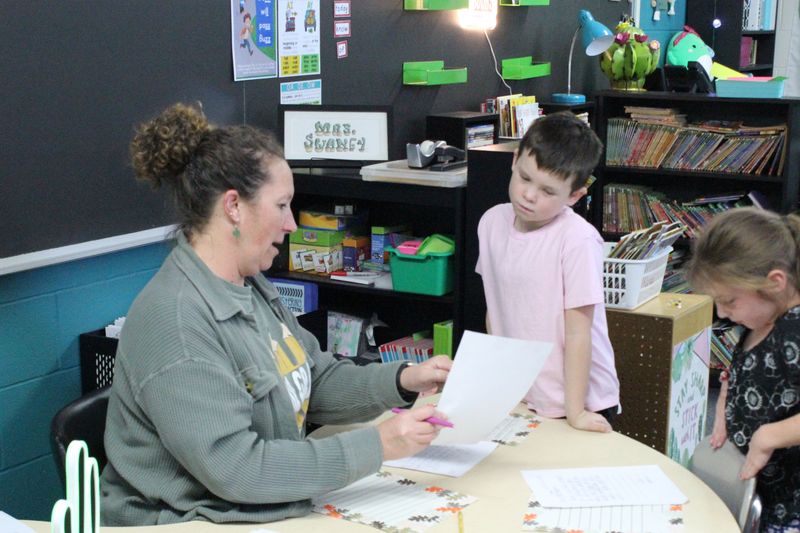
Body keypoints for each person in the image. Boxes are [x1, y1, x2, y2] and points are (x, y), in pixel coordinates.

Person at [100, 103, 452, 526]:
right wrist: (377, 445)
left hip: (251, 510)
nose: (291, 225)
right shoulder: (177, 322)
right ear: (234, 206)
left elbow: (314, 379)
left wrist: (403, 380)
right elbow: (238, 469)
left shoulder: (249, 283)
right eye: (282, 206)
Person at [475, 111, 619, 433]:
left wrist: (576, 412)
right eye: (525, 178)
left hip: (580, 398)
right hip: (525, 391)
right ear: (514, 160)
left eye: (548, 191)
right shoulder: (491, 223)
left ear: (575, 196)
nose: (529, 195)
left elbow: (579, 332)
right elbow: (495, 308)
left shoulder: (577, 240)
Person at [687, 207, 800, 532]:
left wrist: (769, 436)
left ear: (775, 282)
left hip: (789, 506)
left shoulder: (793, 329)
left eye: (730, 301)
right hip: (761, 494)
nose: (722, 312)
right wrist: (726, 397)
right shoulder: (760, 320)